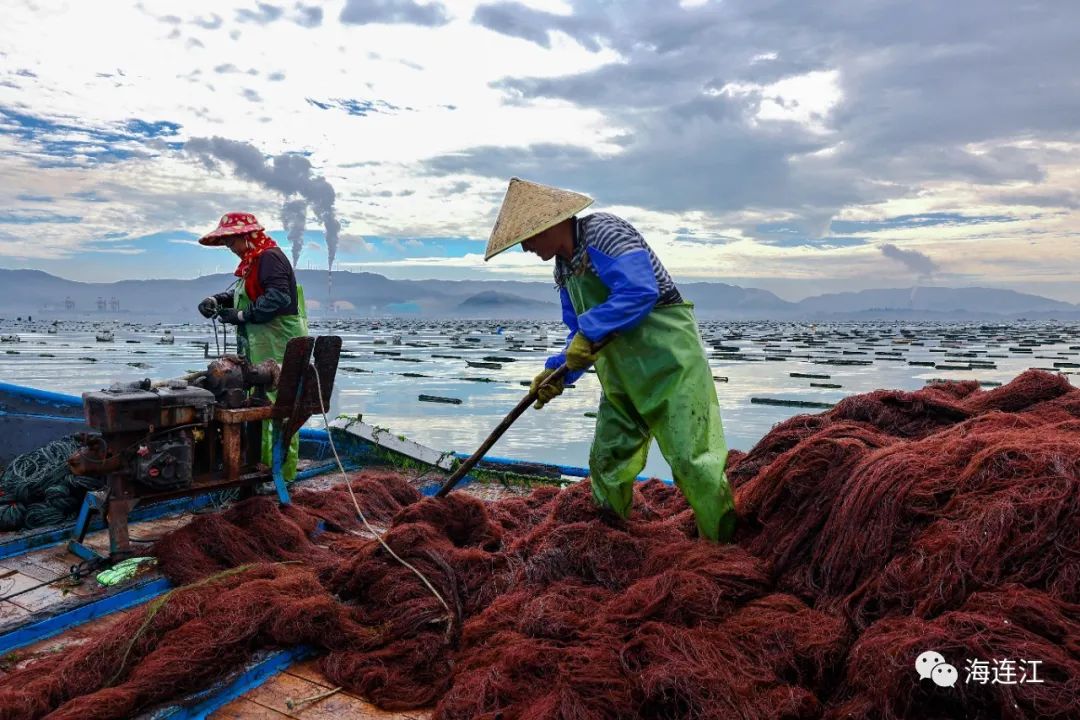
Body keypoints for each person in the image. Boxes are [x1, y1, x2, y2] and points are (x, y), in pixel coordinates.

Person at [484, 178, 736, 542]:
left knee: (692, 462)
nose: (525, 248)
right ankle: (610, 543)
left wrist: (588, 334)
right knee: (607, 461)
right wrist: (558, 373)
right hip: (621, 378)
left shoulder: (602, 231)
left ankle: (721, 547)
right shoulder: (564, 269)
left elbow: (639, 290)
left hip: (669, 364)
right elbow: (579, 335)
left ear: (552, 224)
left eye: (527, 237)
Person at [196, 212, 308, 481]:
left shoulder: (270, 258)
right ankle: (259, 472)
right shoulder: (252, 262)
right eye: (226, 244)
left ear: (246, 238)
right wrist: (218, 301)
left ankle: (280, 477)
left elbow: (278, 297)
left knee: (278, 408)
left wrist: (243, 316)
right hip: (259, 345)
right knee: (257, 404)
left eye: (231, 242)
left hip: (278, 345)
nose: (230, 249)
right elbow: (243, 294)